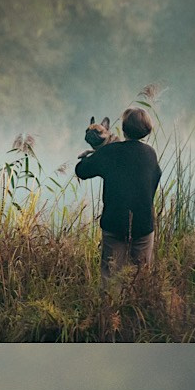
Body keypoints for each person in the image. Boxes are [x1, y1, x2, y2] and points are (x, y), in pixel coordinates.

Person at [74, 105, 162, 279]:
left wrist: (89, 156)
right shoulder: (150, 153)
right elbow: (156, 177)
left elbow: (81, 171)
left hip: (114, 223)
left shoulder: (109, 152)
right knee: (141, 276)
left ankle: (109, 305)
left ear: (123, 129)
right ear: (146, 131)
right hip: (143, 223)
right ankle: (139, 304)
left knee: (111, 276)